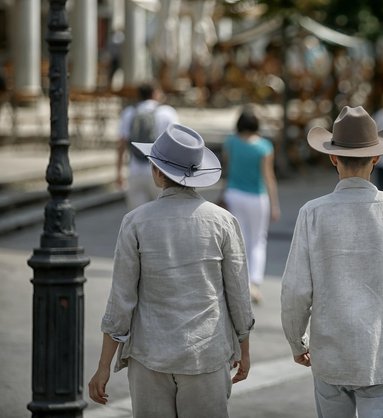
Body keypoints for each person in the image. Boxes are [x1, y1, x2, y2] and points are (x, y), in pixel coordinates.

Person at [89, 123, 254, 417]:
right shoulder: (223, 222)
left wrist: (103, 368)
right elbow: (238, 295)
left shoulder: (135, 222)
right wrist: (244, 349)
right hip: (206, 355)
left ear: (156, 171)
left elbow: (121, 302)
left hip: (150, 356)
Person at [280, 106, 383, 418]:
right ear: (377, 158)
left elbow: (295, 290)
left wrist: (298, 342)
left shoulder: (312, 213)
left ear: (332, 157)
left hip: (330, 357)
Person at [221, 107, 280, 303]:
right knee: (258, 240)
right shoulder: (264, 147)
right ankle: (254, 283)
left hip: (234, 194)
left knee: (241, 239)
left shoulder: (230, 142)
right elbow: (268, 177)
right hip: (257, 196)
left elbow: (227, 169)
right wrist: (275, 204)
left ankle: (241, 281)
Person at [116, 82, 179, 210]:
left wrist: (118, 172)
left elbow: (121, 144)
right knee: (162, 216)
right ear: (155, 93)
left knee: (139, 218)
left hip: (135, 171)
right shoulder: (167, 113)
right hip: (160, 172)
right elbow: (176, 142)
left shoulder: (129, 112)